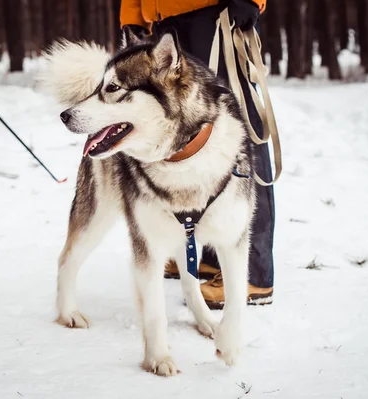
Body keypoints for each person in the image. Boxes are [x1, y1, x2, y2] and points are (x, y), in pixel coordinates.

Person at [120, 0, 275, 308]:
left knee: (235, 130)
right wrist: (133, 14)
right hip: (163, 18)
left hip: (215, 12)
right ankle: (207, 256)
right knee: (185, 134)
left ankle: (253, 274)